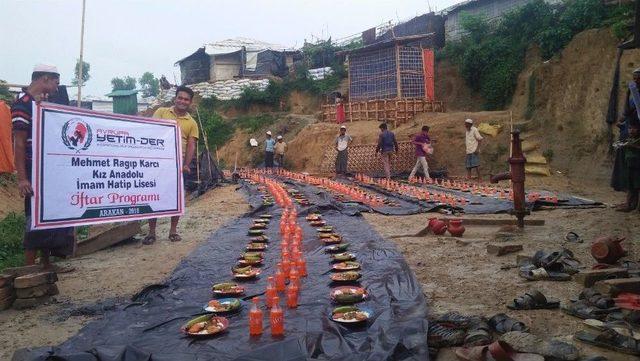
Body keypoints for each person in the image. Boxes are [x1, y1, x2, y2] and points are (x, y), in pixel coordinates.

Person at [12, 64, 75, 270]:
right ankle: (29, 268)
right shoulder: (22, 105)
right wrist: (22, 178)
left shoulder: (43, 104)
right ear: (45, 79)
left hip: (49, 170)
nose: (57, 87)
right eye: (56, 82)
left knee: (49, 214)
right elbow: (19, 143)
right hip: (33, 169)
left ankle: (46, 262)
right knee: (34, 216)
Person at [144, 85, 199, 244]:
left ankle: (173, 231)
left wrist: (186, 164)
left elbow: (191, 145)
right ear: (175, 98)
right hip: (157, 164)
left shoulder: (191, 122)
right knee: (152, 196)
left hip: (177, 166)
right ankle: (151, 232)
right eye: (180, 98)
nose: (182, 101)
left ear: (190, 102)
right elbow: (150, 132)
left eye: (186, 99)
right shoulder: (161, 112)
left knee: (176, 199)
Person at [615, 68, 640, 212]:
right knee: (630, 173)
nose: (636, 81)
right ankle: (629, 203)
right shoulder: (633, 97)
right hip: (630, 137)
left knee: (637, 176)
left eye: (638, 79)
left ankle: (634, 205)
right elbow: (626, 113)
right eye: (634, 79)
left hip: (637, 139)